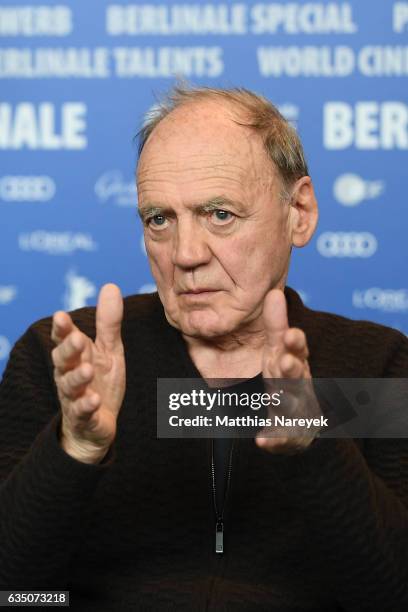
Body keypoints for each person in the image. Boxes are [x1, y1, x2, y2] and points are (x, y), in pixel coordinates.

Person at [0, 84, 407, 611]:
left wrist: (316, 449)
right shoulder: (64, 360)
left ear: (299, 212)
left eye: (219, 214)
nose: (186, 255)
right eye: (160, 219)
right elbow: (14, 590)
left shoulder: (377, 367)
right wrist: (75, 450)